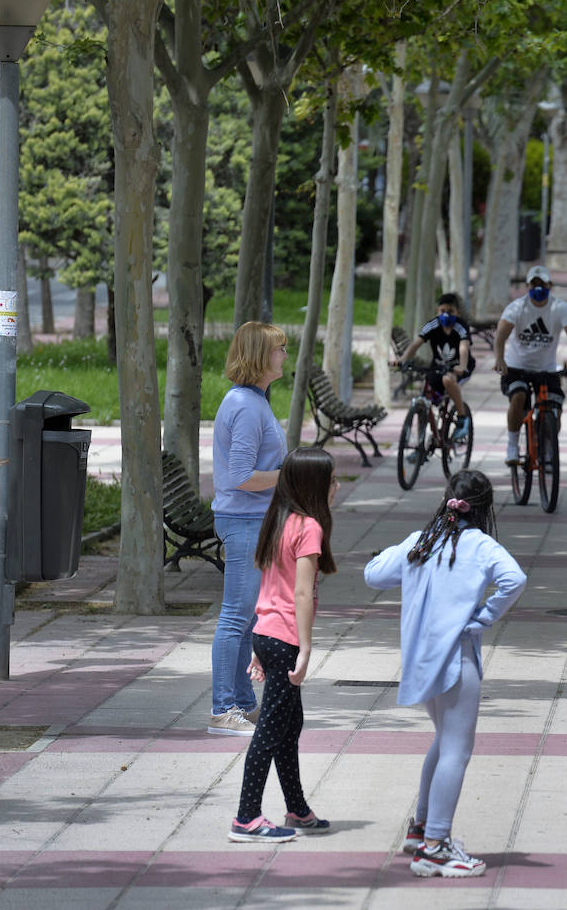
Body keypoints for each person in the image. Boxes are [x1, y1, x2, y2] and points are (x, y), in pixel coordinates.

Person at [365, 470, 526, 878]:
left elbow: (374, 575)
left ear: (447, 500)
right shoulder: (483, 547)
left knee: (444, 741)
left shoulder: (422, 540)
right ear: (486, 507)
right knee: (457, 750)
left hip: (420, 661)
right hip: (457, 660)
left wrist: (393, 552)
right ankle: (435, 846)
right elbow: (515, 579)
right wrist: (484, 617)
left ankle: (421, 829)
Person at [228, 447, 339, 843]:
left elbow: (270, 586)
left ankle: (297, 809)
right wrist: (305, 649)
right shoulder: (309, 527)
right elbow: (302, 594)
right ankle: (246, 818)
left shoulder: (279, 520)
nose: (336, 486)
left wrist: (260, 643)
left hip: (267, 633)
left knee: (289, 725)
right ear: (314, 486)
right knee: (271, 731)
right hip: (285, 639)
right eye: (331, 481)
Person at [210, 321, 288, 736]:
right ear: (260, 355)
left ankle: (242, 703)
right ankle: (223, 710)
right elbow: (240, 475)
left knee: (245, 619)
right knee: (234, 618)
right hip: (243, 520)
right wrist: (287, 474)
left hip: (253, 520)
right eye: (279, 349)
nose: (284, 356)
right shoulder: (245, 405)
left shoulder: (254, 401)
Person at [493, 265, 567, 465]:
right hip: (515, 368)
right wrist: (499, 359)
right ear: (528, 286)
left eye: (543, 284)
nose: (538, 288)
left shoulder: (560, 308)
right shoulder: (517, 307)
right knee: (519, 396)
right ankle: (512, 445)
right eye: (534, 284)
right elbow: (500, 335)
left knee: (554, 408)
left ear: (550, 285)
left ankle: (548, 445)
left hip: (546, 369)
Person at [397, 292, 474, 441]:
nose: (446, 315)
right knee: (423, 401)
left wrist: (461, 367)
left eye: (450, 311)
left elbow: (464, 348)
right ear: (437, 312)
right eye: (442, 311)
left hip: (461, 367)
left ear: (457, 312)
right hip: (437, 368)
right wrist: (402, 360)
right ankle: (420, 445)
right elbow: (415, 345)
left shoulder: (461, 327)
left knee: (448, 380)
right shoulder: (432, 325)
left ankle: (462, 418)